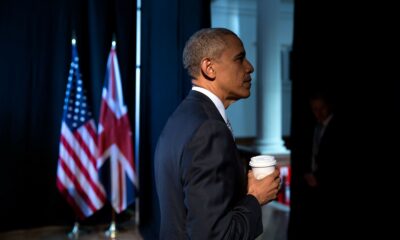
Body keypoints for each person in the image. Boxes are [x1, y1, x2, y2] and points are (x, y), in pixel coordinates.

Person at [154, 28, 281, 239]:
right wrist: (255, 197)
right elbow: (214, 235)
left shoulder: (182, 116)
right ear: (209, 68)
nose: (250, 67)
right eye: (239, 59)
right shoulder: (209, 130)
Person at [300, 91, 340, 239]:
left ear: (328, 106)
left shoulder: (336, 127)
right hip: (314, 186)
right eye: (314, 109)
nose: (318, 113)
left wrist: (319, 177)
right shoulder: (315, 127)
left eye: (321, 108)